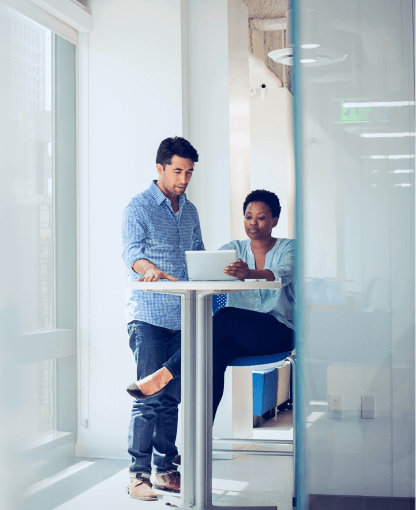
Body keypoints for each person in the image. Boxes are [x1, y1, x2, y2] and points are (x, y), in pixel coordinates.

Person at [127, 189, 295, 465]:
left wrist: (249, 274)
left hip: (278, 332)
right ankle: (198, 447)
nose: (253, 223)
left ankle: (165, 373)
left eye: (262, 218)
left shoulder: (290, 247)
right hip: (242, 337)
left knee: (226, 316)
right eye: (248, 216)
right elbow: (206, 273)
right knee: (213, 357)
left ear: (275, 220)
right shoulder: (233, 250)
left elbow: (283, 273)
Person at [122, 136, 204, 501]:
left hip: (183, 316)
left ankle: (166, 470)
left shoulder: (191, 211)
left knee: (171, 398)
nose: (184, 179)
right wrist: (148, 268)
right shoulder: (138, 207)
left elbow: (199, 256)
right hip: (150, 316)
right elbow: (131, 253)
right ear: (159, 168)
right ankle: (137, 475)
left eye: (189, 172)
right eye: (177, 171)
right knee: (148, 399)